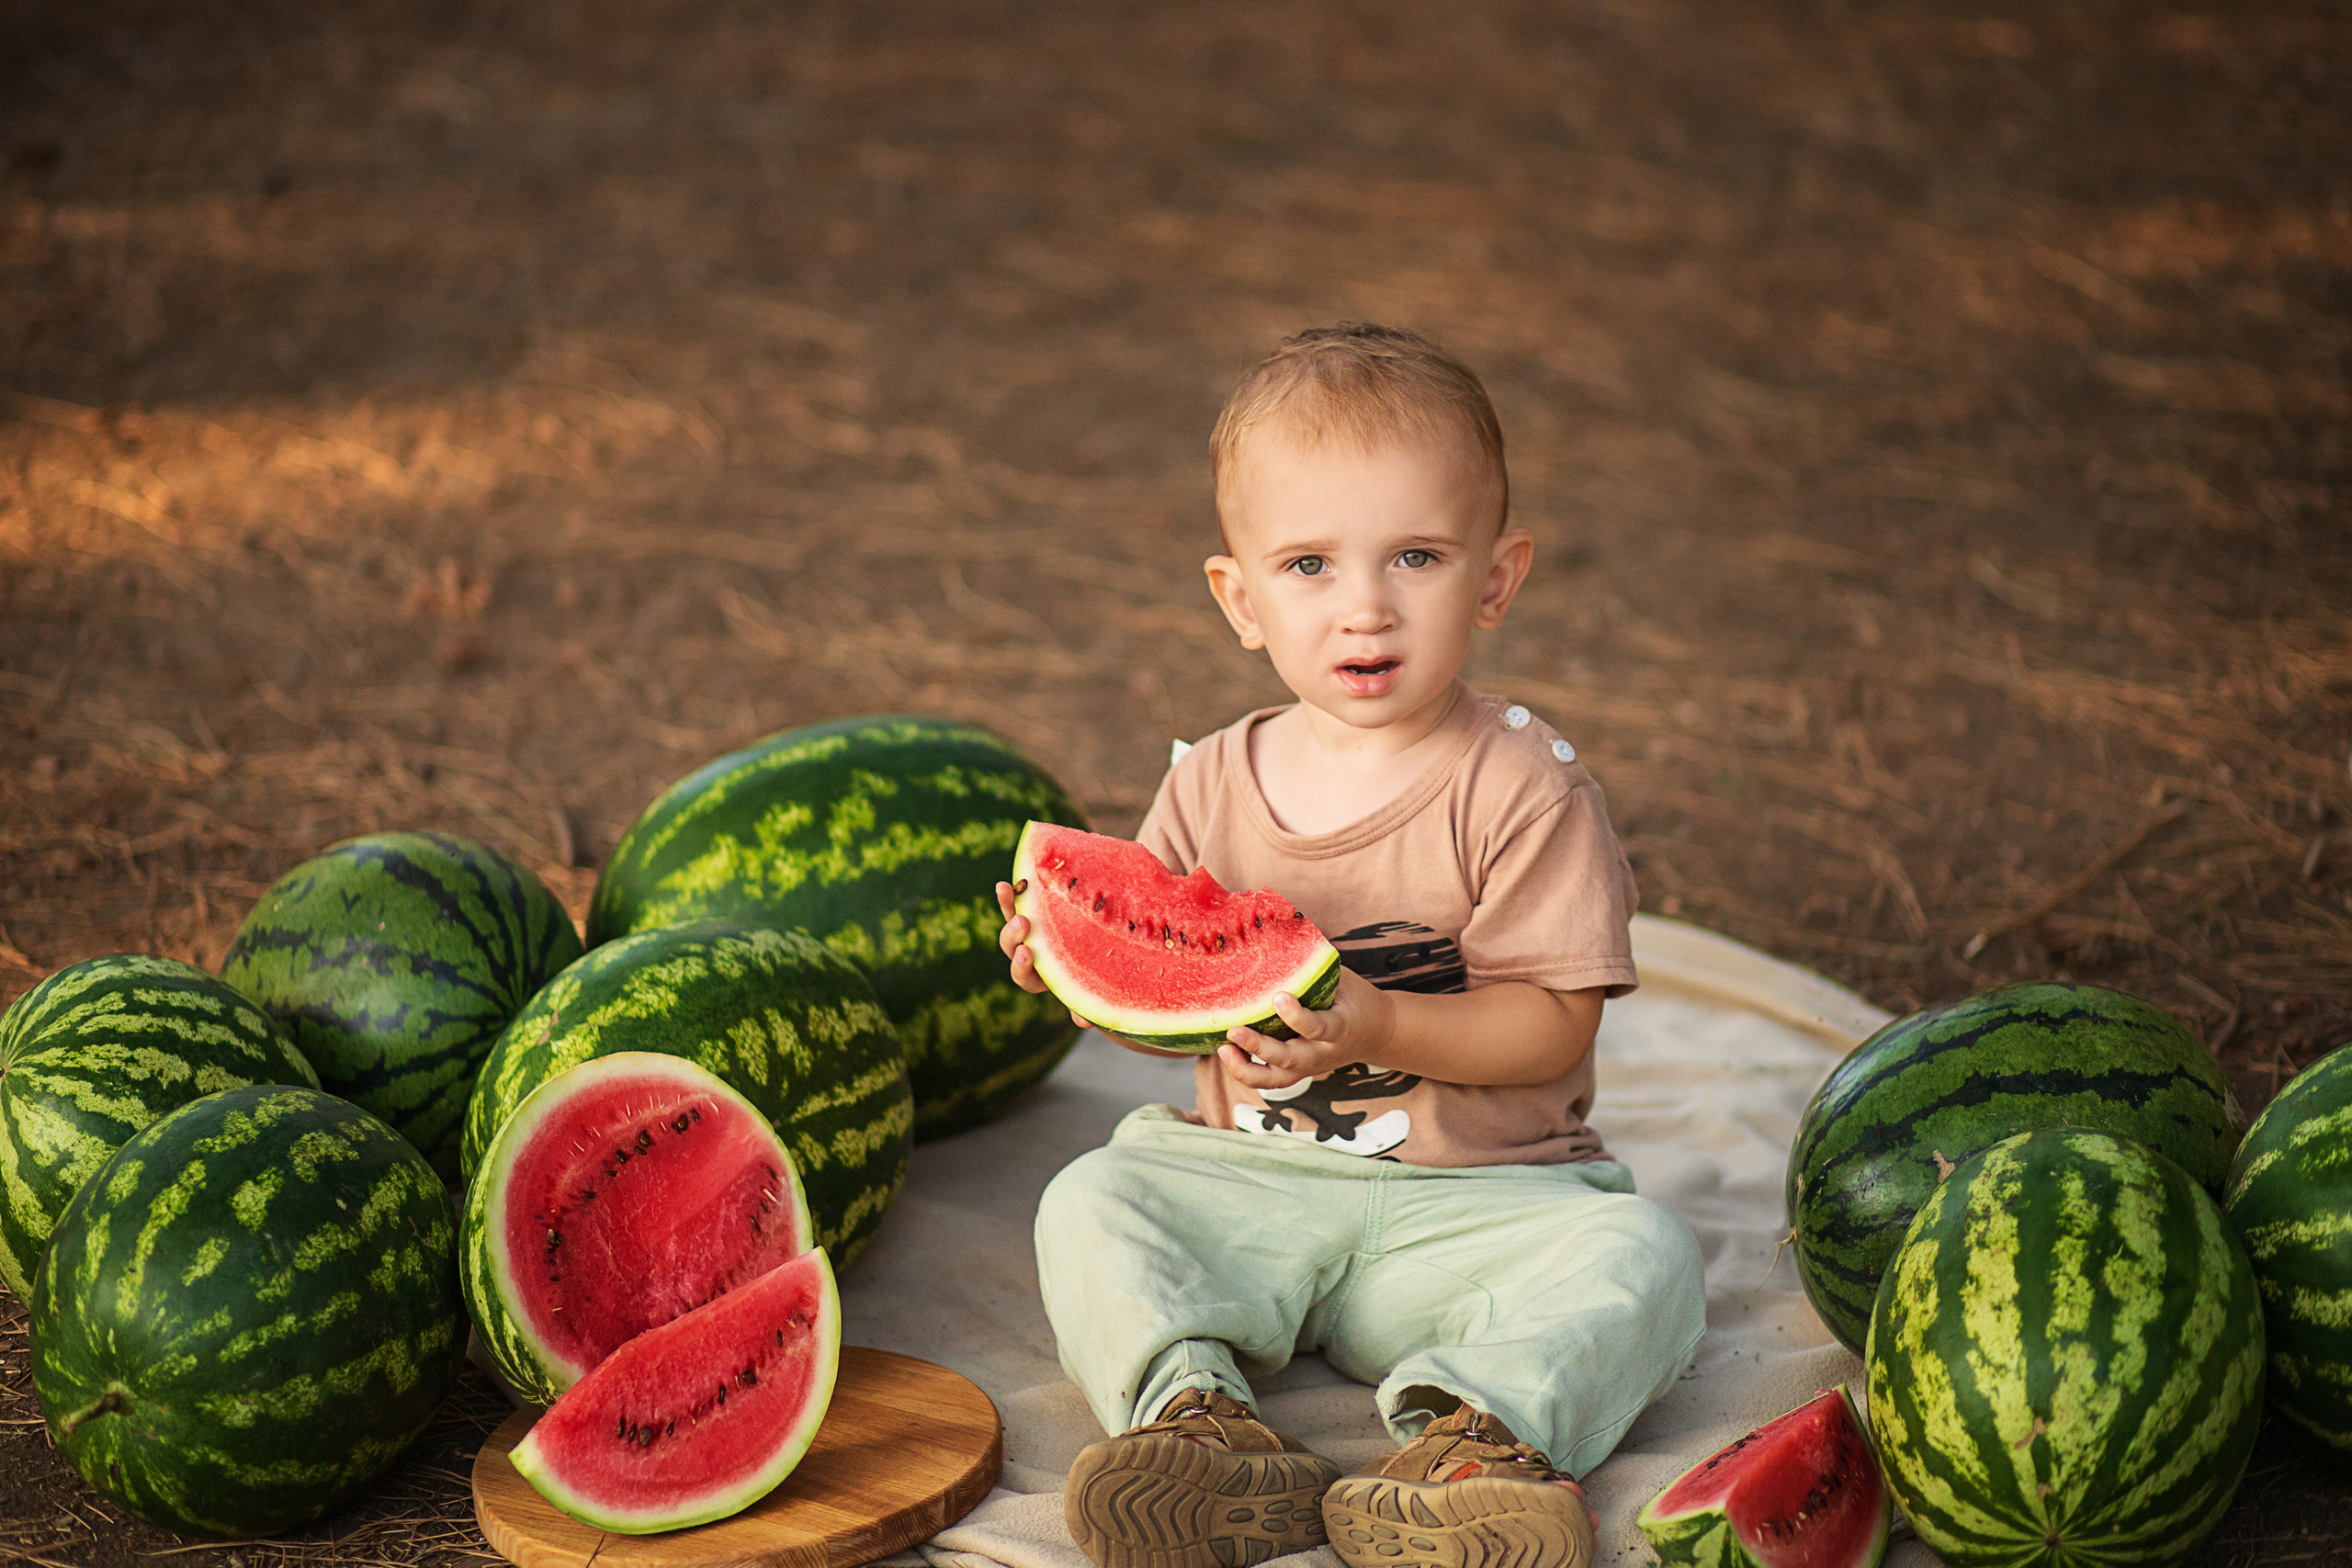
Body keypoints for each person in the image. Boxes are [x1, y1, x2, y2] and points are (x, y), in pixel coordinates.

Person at [993, 323, 1705, 1568]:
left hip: (1482, 1207)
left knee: (1644, 1258)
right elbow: (1166, 993)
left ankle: (1477, 1448)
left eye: (1416, 558)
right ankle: (1198, 1427)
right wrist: (1070, 967)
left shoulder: (1525, 787)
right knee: (1094, 1199)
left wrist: (1382, 1026)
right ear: (1240, 599)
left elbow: (1557, 1019)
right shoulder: (1211, 782)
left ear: (1496, 579)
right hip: (1253, 1196)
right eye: (1311, 564)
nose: (1364, 606)